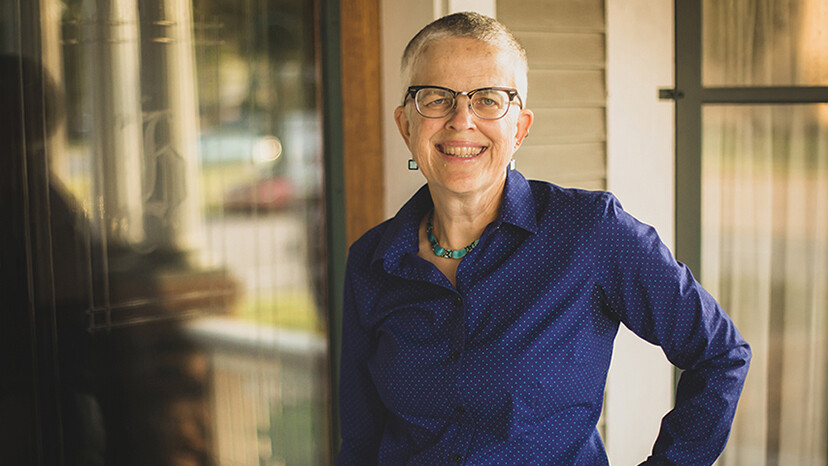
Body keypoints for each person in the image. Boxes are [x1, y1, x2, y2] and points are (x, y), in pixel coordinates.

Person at [338, 12, 750, 465]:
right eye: (436, 98)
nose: (461, 120)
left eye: (489, 100)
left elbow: (719, 353)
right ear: (406, 126)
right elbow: (361, 437)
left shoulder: (589, 231)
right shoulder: (371, 261)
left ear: (520, 128)